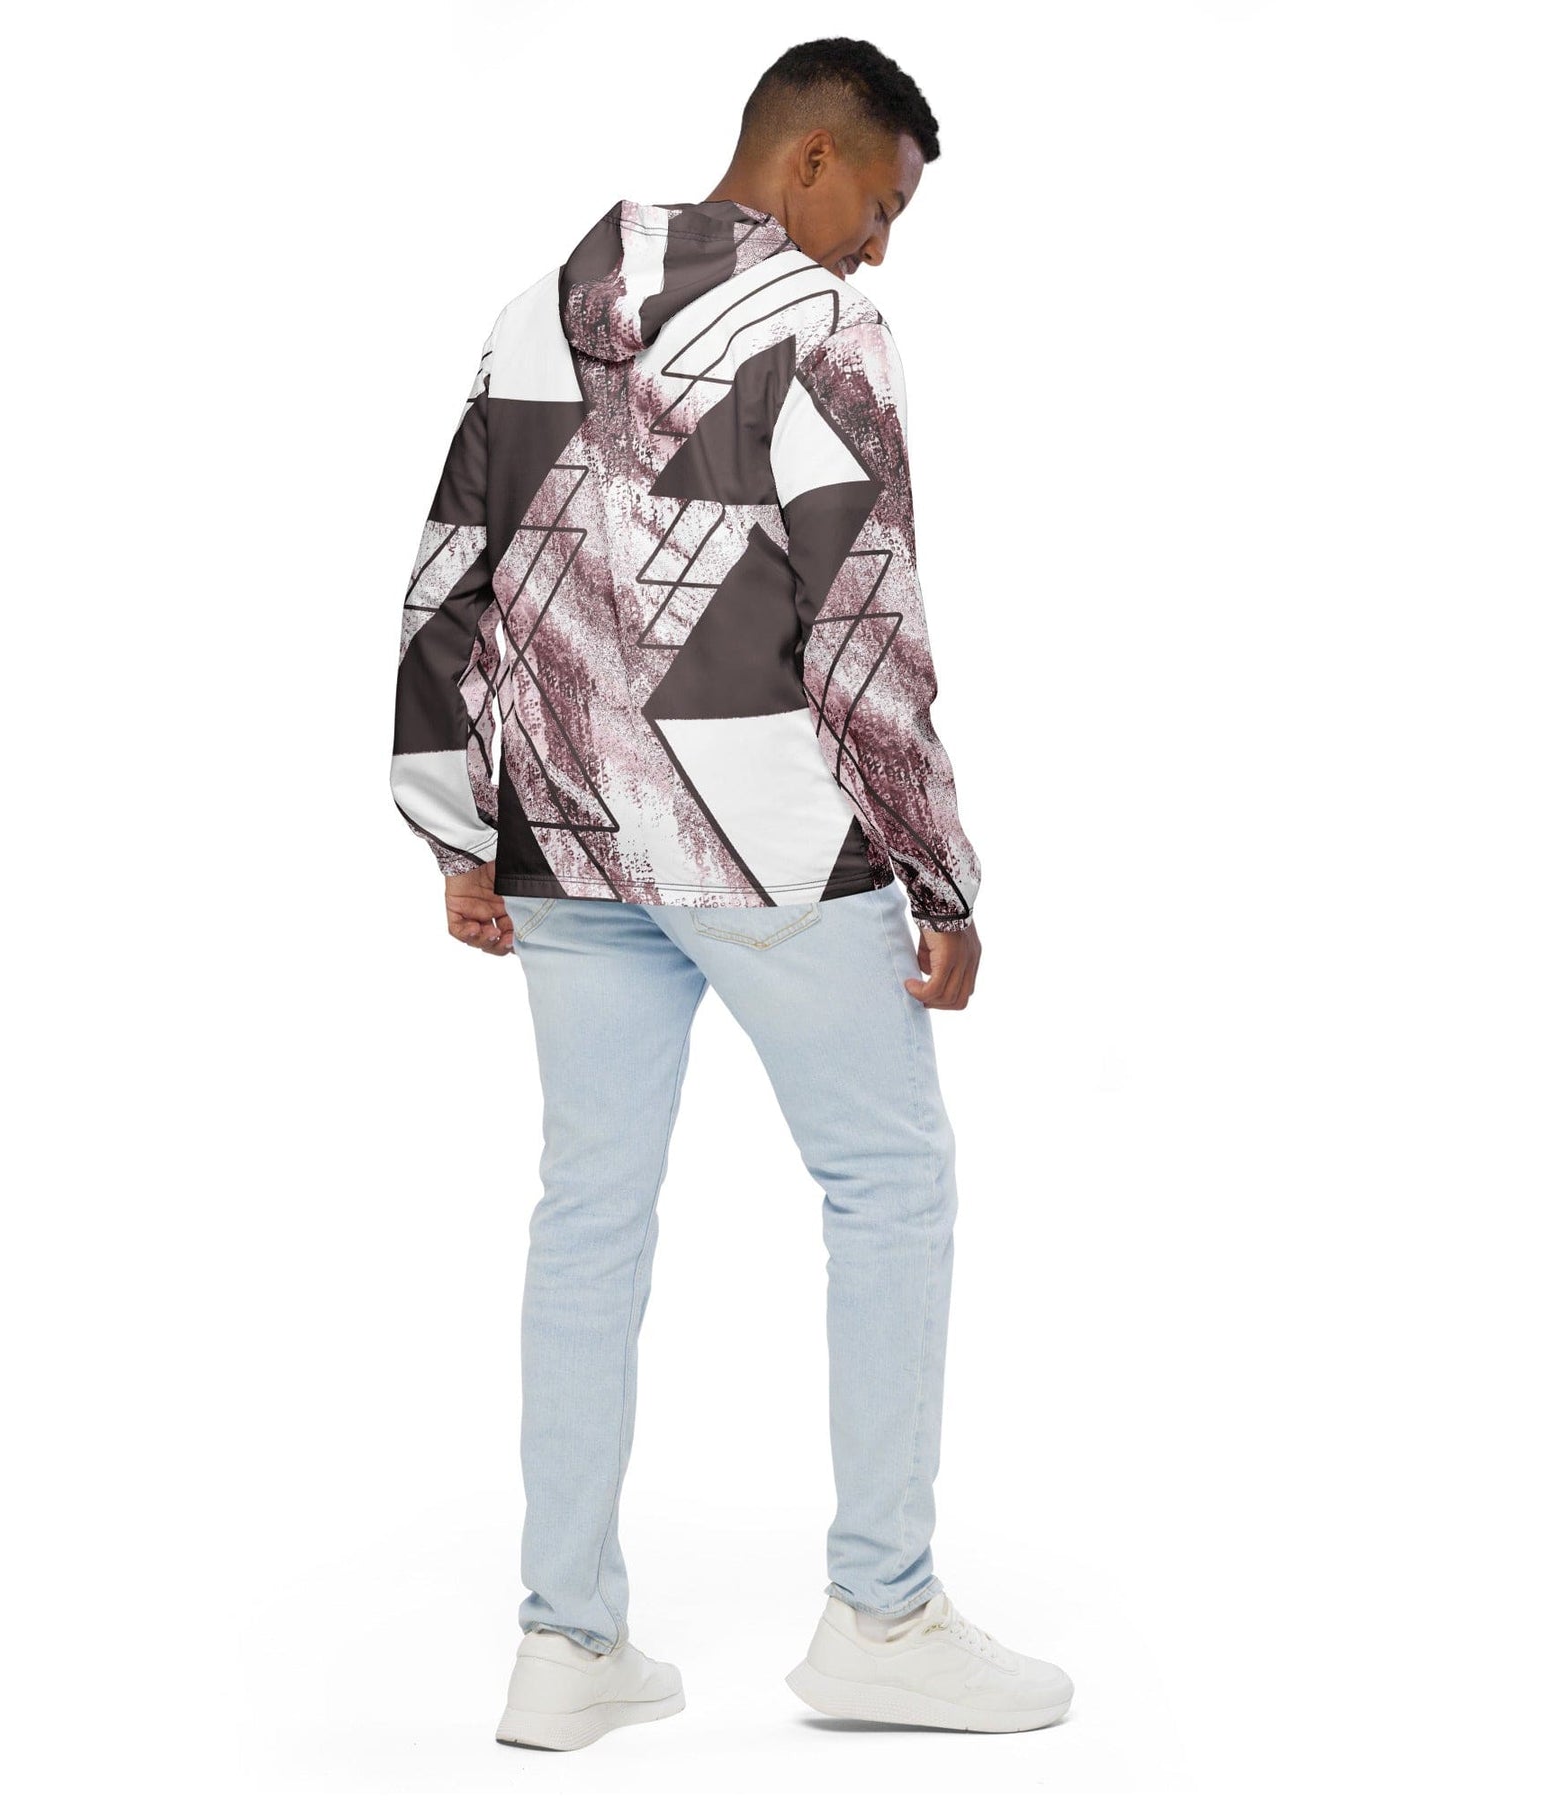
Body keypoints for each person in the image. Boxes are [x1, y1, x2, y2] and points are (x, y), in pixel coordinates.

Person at [390, 36, 1073, 1751]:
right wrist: (941, 874)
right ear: (812, 156)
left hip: (565, 841)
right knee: (889, 1186)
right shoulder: (821, 334)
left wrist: (459, 829)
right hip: (766, 846)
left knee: (588, 1219)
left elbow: (447, 575)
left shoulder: (539, 314)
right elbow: (865, 623)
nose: (882, 251)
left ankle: (565, 1645)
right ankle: (884, 1616)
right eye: (883, 206)